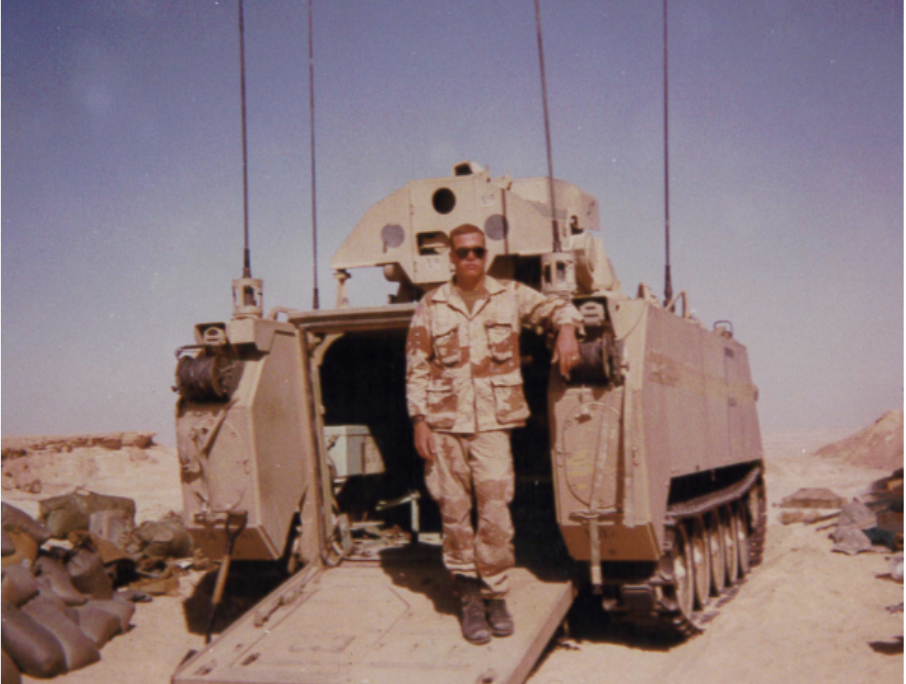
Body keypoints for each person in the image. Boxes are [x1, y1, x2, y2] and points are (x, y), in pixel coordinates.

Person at [406, 223, 583, 645]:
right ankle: (468, 595)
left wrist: (568, 329)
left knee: (495, 513)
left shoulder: (510, 295)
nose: (471, 258)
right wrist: (419, 421)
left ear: (486, 256)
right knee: (453, 513)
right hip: (445, 426)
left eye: (478, 251)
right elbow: (416, 365)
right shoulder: (431, 305)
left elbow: (556, 309)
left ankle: (495, 593)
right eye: (463, 251)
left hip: (491, 428)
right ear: (451, 257)